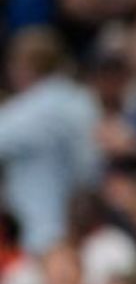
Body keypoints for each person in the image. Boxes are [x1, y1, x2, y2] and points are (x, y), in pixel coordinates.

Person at [0, 26, 100, 254]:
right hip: (81, 224)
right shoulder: (82, 99)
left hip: (41, 229)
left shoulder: (37, 105)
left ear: (24, 67)